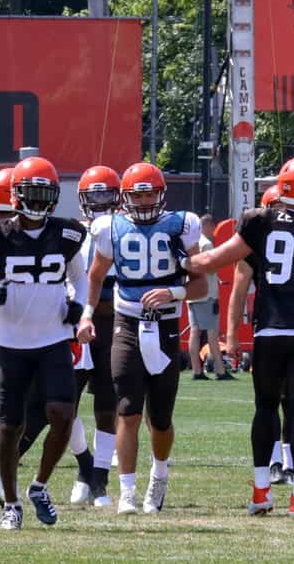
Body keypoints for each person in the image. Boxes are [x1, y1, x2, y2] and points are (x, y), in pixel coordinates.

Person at [182, 155, 294, 518]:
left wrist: (179, 261)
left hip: (271, 330)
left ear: (282, 186)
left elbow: (214, 261)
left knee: (265, 407)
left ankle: (261, 492)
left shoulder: (260, 220)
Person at [0, 157, 89, 530]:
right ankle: (12, 503)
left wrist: (79, 306)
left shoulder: (66, 235)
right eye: (29, 192)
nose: (35, 201)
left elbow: (79, 278)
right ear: (16, 194)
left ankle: (39, 486)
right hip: (11, 341)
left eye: (42, 193)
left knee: (63, 414)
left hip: (53, 338)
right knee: (9, 423)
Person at [77, 162, 207, 516]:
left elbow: (201, 285)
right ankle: (128, 492)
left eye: (150, 193)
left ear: (161, 193)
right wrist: (87, 315)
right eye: (138, 194)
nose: (146, 200)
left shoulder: (182, 224)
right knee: (128, 410)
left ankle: (159, 475)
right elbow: (95, 275)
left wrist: (173, 292)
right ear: (126, 197)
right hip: (128, 324)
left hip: (165, 327)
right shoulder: (109, 227)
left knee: (160, 418)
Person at [68, 165, 122, 507]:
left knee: (108, 403)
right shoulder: (71, 232)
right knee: (62, 403)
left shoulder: (123, 230)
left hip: (113, 323)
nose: (100, 201)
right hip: (76, 324)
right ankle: (84, 465)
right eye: (94, 195)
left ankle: (99, 478)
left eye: (105, 194)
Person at [187, 214, 231, 381]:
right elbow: (210, 268)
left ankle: (197, 371)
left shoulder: (190, 243)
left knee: (195, 332)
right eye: (213, 227)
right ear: (207, 226)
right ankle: (220, 370)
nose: (214, 231)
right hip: (207, 294)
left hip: (192, 293)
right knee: (212, 332)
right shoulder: (206, 244)